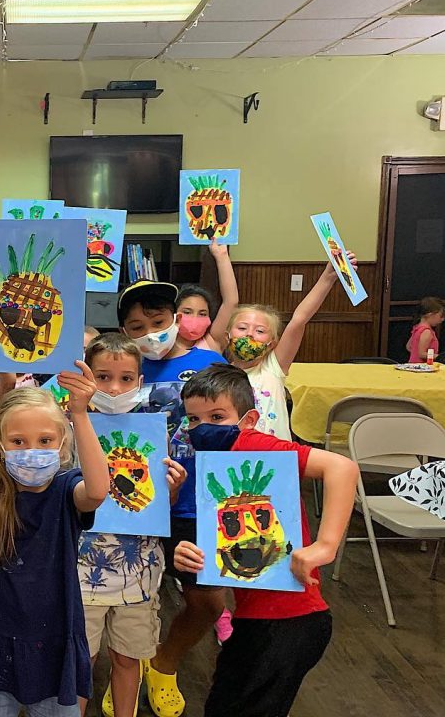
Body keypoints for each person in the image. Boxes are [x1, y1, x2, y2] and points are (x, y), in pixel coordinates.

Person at [172, 364, 358, 717]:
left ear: (249, 419)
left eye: (217, 416)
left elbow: (342, 468)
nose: (203, 427)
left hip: (287, 621)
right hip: (259, 618)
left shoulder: (252, 444)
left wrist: (325, 545)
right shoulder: (218, 463)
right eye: (193, 420)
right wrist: (192, 553)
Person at [0, 359, 110, 717]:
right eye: (18, 441)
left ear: (62, 446)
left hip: (54, 639)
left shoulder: (66, 490)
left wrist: (80, 415)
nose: (32, 449)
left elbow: (97, 490)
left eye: (45, 440)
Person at [118, 280, 226, 717]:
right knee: (131, 600)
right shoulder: (121, 366)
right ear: (124, 332)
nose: (149, 333)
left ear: (176, 319)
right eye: (136, 326)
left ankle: (164, 663)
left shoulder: (209, 362)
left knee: (207, 601)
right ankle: (125, 672)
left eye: (158, 322)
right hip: (133, 504)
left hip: (196, 504)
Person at [76, 334, 187, 717]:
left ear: (140, 382)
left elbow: (160, 504)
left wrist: (172, 489)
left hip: (138, 570)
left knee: (128, 659)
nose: (114, 388)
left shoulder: (154, 431)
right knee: (80, 663)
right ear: (86, 375)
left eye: (126, 379)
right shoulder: (69, 425)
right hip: (80, 569)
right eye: (103, 377)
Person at [224, 253, 357, 440]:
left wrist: (328, 277)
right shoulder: (221, 376)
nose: (249, 334)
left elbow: (299, 319)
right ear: (227, 335)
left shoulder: (273, 367)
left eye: (260, 331)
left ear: (272, 344)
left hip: (277, 457)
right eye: (242, 328)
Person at [174, 242, 238, 354]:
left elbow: (231, 301)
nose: (194, 318)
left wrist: (222, 256)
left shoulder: (212, 341)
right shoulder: (163, 346)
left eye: (202, 314)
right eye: (187, 312)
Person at [407, 296, 445, 363]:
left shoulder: (417, 328)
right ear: (430, 315)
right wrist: (439, 356)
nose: (442, 319)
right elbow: (421, 354)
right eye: (441, 316)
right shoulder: (426, 332)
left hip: (412, 364)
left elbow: (409, 346)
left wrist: (414, 354)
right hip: (422, 367)